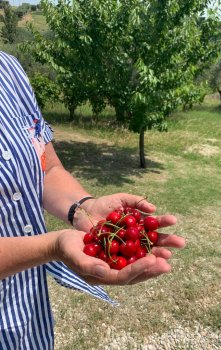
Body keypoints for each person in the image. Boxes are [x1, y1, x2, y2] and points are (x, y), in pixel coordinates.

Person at [0, 50, 185, 350]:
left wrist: (84, 207)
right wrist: (52, 245)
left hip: (27, 315)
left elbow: (47, 168)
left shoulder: (7, 70)